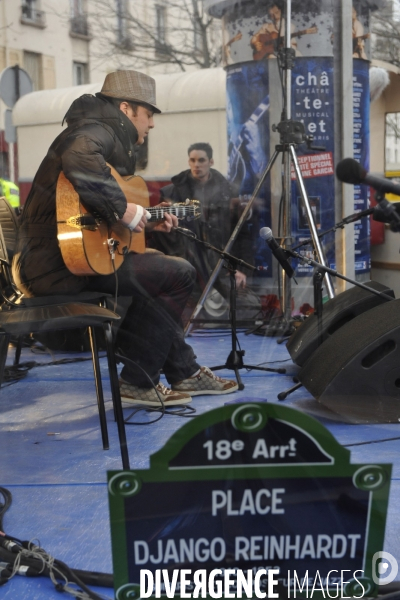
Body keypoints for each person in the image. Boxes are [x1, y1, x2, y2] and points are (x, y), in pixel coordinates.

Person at [12, 70, 238, 406]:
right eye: (148, 114)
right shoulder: (93, 132)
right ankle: (138, 381)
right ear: (126, 109)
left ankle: (183, 370)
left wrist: (144, 223)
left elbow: (86, 215)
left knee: (159, 274)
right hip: (56, 268)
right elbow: (80, 158)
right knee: (178, 274)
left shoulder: (93, 129)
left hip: (54, 260)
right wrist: (125, 211)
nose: (152, 124)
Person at [149, 143, 255, 300]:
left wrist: (241, 269)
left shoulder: (228, 192)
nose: (196, 165)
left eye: (201, 160)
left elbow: (241, 233)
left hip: (222, 268)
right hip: (186, 268)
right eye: (192, 160)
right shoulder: (170, 192)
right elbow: (163, 236)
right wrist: (177, 264)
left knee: (243, 307)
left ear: (211, 162)